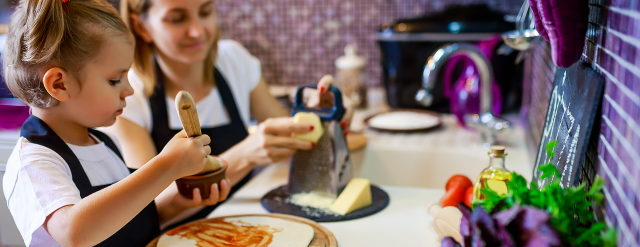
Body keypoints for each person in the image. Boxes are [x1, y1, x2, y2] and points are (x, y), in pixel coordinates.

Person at [1, 0, 231, 246]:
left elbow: (124, 223)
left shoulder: (102, 144)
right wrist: (166, 166)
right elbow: (75, 233)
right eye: (115, 80)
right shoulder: (35, 162)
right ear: (59, 84)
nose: (129, 90)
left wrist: (175, 205)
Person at [109, 0, 352, 227]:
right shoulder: (125, 96)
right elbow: (147, 210)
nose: (197, 31)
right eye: (176, 19)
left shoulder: (233, 60)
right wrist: (245, 155)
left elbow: (292, 142)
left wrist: (318, 116)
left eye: (205, 12)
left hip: (248, 221)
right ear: (142, 27)